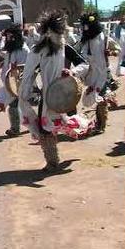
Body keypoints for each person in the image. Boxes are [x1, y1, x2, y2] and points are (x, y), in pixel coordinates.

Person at [19, 12, 91, 172]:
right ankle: (52, 162)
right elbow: (30, 72)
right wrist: (25, 92)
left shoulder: (65, 47)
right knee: (45, 129)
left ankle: (84, 129)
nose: (54, 36)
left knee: (67, 122)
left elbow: (84, 64)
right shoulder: (37, 50)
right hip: (48, 96)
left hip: (66, 94)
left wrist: (72, 72)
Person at [77, 13, 113, 134]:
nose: (85, 28)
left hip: (103, 72)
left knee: (100, 99)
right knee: (93, 98)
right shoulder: (85, 40)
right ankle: (99, 122)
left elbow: (117, 49)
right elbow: (79, 53)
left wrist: (110, 52)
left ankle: (101, 125)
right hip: (92, 74)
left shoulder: (104, 37)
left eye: (86, 26)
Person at [0, 24, 29, 136]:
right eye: (7, 37)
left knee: (14, 105)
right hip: (12, 83)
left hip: (20, 83)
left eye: (9, 36)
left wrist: (17, 69)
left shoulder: (23, 50)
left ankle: (15, 129)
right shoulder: (12, 50)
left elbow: (27, 66)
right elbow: (2, 55)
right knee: (19, 105)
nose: (8, 39)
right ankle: (30, 125)